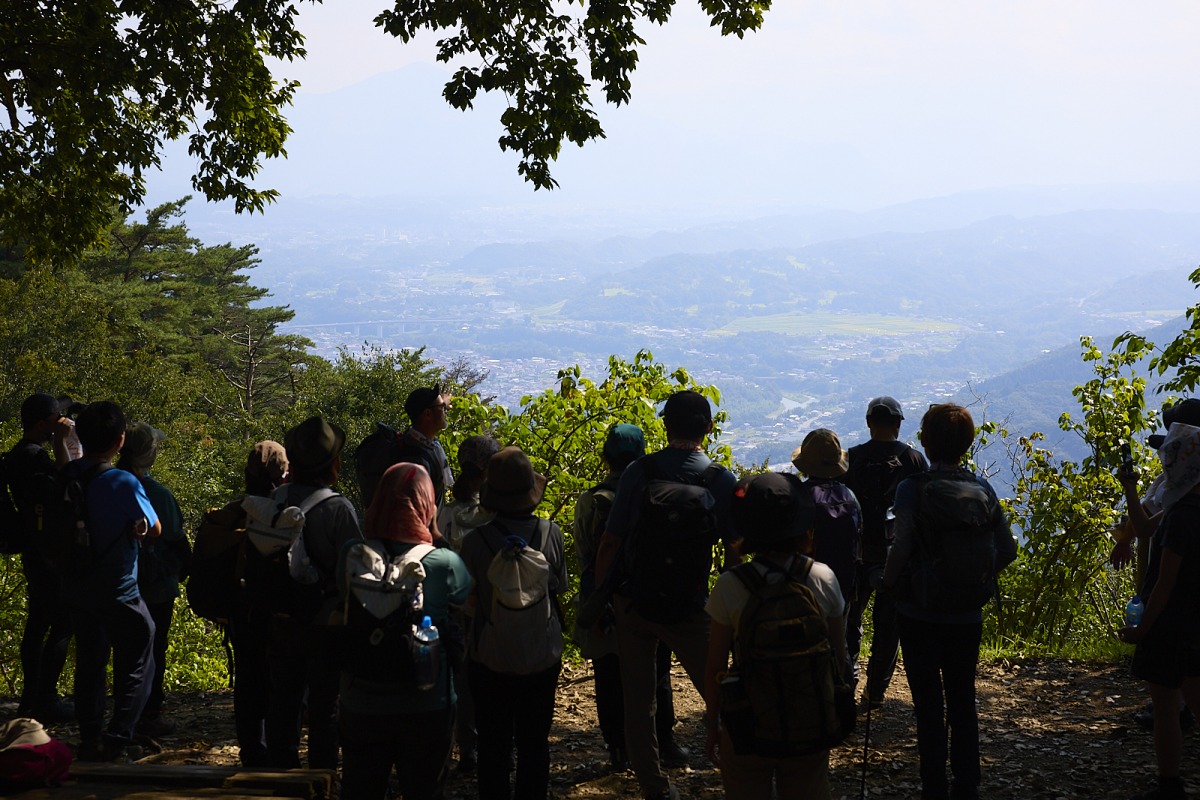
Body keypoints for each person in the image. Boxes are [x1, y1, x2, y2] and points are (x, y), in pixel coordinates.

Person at [594, 390, 739, 800]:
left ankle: (655, 788)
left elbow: (611, 542)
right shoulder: (720, 480)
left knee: (639, 702)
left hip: (635, 602)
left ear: (665, 425)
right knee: (720, 692)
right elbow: (735, 549)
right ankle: (740, 773)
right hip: (691, 607)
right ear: (708, 428)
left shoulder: (639, 472)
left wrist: (605, 598)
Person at [882, 403, 1017, 800]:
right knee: (962, 697)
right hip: (967, 613)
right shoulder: (983, 489)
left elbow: (902, 545)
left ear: (926, 441)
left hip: (918, 611)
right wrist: (974, 576)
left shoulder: (912, 488)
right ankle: (968, 783)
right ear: (967, 443)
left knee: (927, 701)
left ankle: (934, 785)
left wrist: (889, 583)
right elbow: (1008, 549)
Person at [703, 472, 846, 799]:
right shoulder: (822, 577)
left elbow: (715, 668)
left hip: (749, 722)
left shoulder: (731, 585)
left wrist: (713, 724)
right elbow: (839, 657)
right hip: (810, 722)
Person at [338, 462, 472, 800]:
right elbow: (468, 598)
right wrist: (436, 535)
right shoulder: (443, 563)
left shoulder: (352, 555)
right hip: (428, 704)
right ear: (427, 506)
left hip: (361, 702)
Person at [574, 424, 686, 771]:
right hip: (650, 597)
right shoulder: (657, 494)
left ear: (605, 457)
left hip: (606, 600)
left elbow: (585, 553)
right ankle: (664, 741)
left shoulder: (591, 500)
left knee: (609, 674)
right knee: (657, 670)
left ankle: (618, 748)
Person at [460, 446, 566, 800]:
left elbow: (468, 601)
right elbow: (558, 588)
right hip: (541, 655)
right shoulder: (551, 534)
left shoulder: (474, 542)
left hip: (489, 657)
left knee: (493, 744)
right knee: (535, 743)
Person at [259, 416, 362, 770]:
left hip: (281, 616)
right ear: (332, 465)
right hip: (325, 620)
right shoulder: (338, 509)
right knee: (324, 704)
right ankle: (321, 776)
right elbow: (354, 569)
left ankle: (281, 771)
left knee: (283, 699)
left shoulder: (275, 499)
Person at [66, 401, 161, 762]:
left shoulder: (67, 474)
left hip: (77, 584)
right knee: (140, 653)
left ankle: (90, 737)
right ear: (120, 441)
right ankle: (118, 737)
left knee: (90, 660)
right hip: (119, 587)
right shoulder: (122, 481)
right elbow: (154, 528)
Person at [1119, 420, 1200, 800]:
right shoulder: (1182, 508)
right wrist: (1130, 488)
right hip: (1197, 622)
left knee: (1166, 708)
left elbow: (1165, 584)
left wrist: (1141, 630)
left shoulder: (1179, 516)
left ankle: (1170, 786)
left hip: (1170, 627)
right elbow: (1143, 528)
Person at [843, 396, 928, 707]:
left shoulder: (850, 458)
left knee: (850, 622)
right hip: (897, 556)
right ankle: (876, 691)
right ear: (898, 423)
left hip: (855, 555)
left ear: (869, 423)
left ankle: (847, 682)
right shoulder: (913, 460)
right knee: (888, 627)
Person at [4, 393, 75, 722]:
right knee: (60, 623)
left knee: (38, 622)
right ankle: (44, 698)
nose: (62, 422)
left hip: (36, 548)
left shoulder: (19, 455)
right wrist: (62, 442)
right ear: (41, 424)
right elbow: (65, 485)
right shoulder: (33, 458)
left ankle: (32, 698)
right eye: (56, 418)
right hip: (47, 552)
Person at [436, 433, 501, 773]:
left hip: (454, 604)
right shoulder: (490, 515)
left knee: (461, 681)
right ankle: (493, 746)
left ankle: (466, 748)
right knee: (491, 678)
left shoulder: (447, 511)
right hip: (488, 605)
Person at [120, 422, 189, 738]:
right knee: (154, 647)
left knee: (124, 648)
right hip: (157, 585)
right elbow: (175, 537)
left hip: (121, 581)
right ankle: (150, 713)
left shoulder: (109, 483)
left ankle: (125, 713)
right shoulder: (158, 494)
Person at [232, 441, 289, 766]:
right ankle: (278, 754)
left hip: (241, 609)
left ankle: (252, 750)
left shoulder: (237, 510)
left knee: (247, 678)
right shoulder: (284, 514)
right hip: (278, 612)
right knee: (279, 681)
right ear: (282, 474)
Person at [357, 385, 454, 511]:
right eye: (442, 407)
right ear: (428, 414)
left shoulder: (426, 445)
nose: (446, 410)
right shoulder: (416, 460)